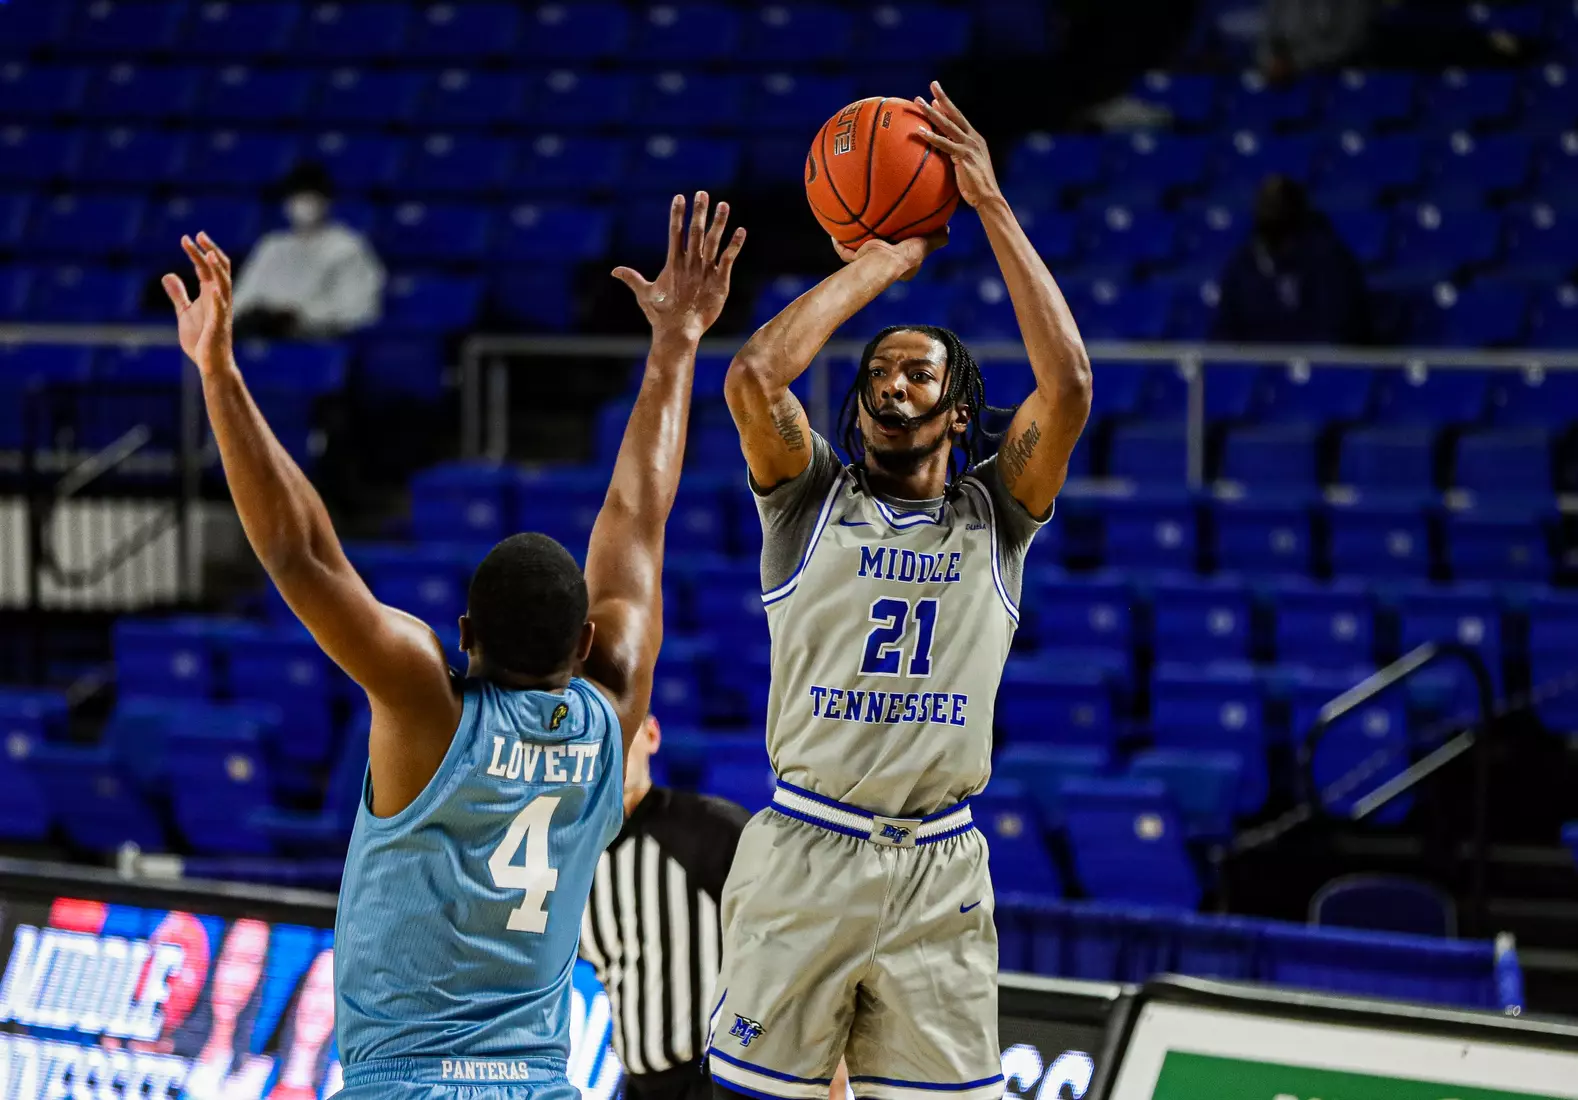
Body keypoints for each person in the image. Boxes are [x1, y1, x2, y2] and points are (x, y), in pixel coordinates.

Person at [160, 191, 745, 1100]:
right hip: (543, 1083)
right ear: (588, 638)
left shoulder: (424, 707)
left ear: (463, 634)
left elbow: (299, 550)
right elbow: (638, 512)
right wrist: (677, 345)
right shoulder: (608, 712)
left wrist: (219, 373)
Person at [707, 82, 1091, 1100]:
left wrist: (992, 206)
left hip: (939, 868)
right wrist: (882, 262)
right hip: (804, 846)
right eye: (878, 370)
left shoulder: (995, 515)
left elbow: (1071, 387)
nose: (894, 380)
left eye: (920, 370)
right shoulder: (808, 503)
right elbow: (752, 378)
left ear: (963, 411)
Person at [578, 714, 750, 1100]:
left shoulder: (713, 829)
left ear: (652, 734)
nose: (608, 753)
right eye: (592, 739)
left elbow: (792, 940)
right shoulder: (571, 857)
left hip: (719, 1081)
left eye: (621, 735)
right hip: (638, 1084)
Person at [231, 162, 384, 340]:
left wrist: (301, 317)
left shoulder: (347, 247)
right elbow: (240, 301)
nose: (303, 204)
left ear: (326, 201)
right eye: (296, 196)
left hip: (319, 343)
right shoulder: (272, 246)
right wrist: (259, 315)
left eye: (310, 196)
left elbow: (360, 310)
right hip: (262, 338)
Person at [1211, 175, 1371, 346]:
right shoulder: (1243, 263)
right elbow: (1224, 333)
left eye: (1276, 206)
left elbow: (1335, 329)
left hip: (1318, 366)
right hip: (1254, 366)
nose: (1270, 211)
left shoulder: (1330, 259)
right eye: (1266, 205)